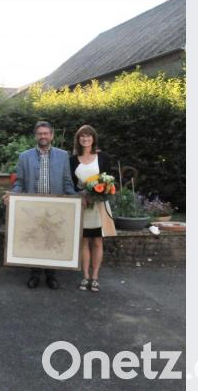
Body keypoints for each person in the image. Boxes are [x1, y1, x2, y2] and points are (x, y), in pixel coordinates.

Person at [6, 120, 77, 290]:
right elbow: (20, 182)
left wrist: (77, 198)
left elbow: (67, 182)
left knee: (51, 238)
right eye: (40, 133)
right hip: (33, 207)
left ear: (52, 135)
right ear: (35, 136)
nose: (43, 136)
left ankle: (51, 275)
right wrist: (12, 195)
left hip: (55, 208)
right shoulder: (25, 156)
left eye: (46, 133)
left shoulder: (63, 155)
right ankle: (35, 274)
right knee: (37, 239)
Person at [70, 125, 113, 292]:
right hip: (82, 204)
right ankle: (85, 276)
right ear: (78, 139)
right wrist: (81, 195)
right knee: (84, 241)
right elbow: (71, 185)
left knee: (97, 241)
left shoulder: (103, 157)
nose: (85, 139)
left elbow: (109, 181)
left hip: (99, 205)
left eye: (88, 136)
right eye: (82, 136)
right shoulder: (72, 160)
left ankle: (95, 276)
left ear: (93, 138)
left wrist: (101, 192)